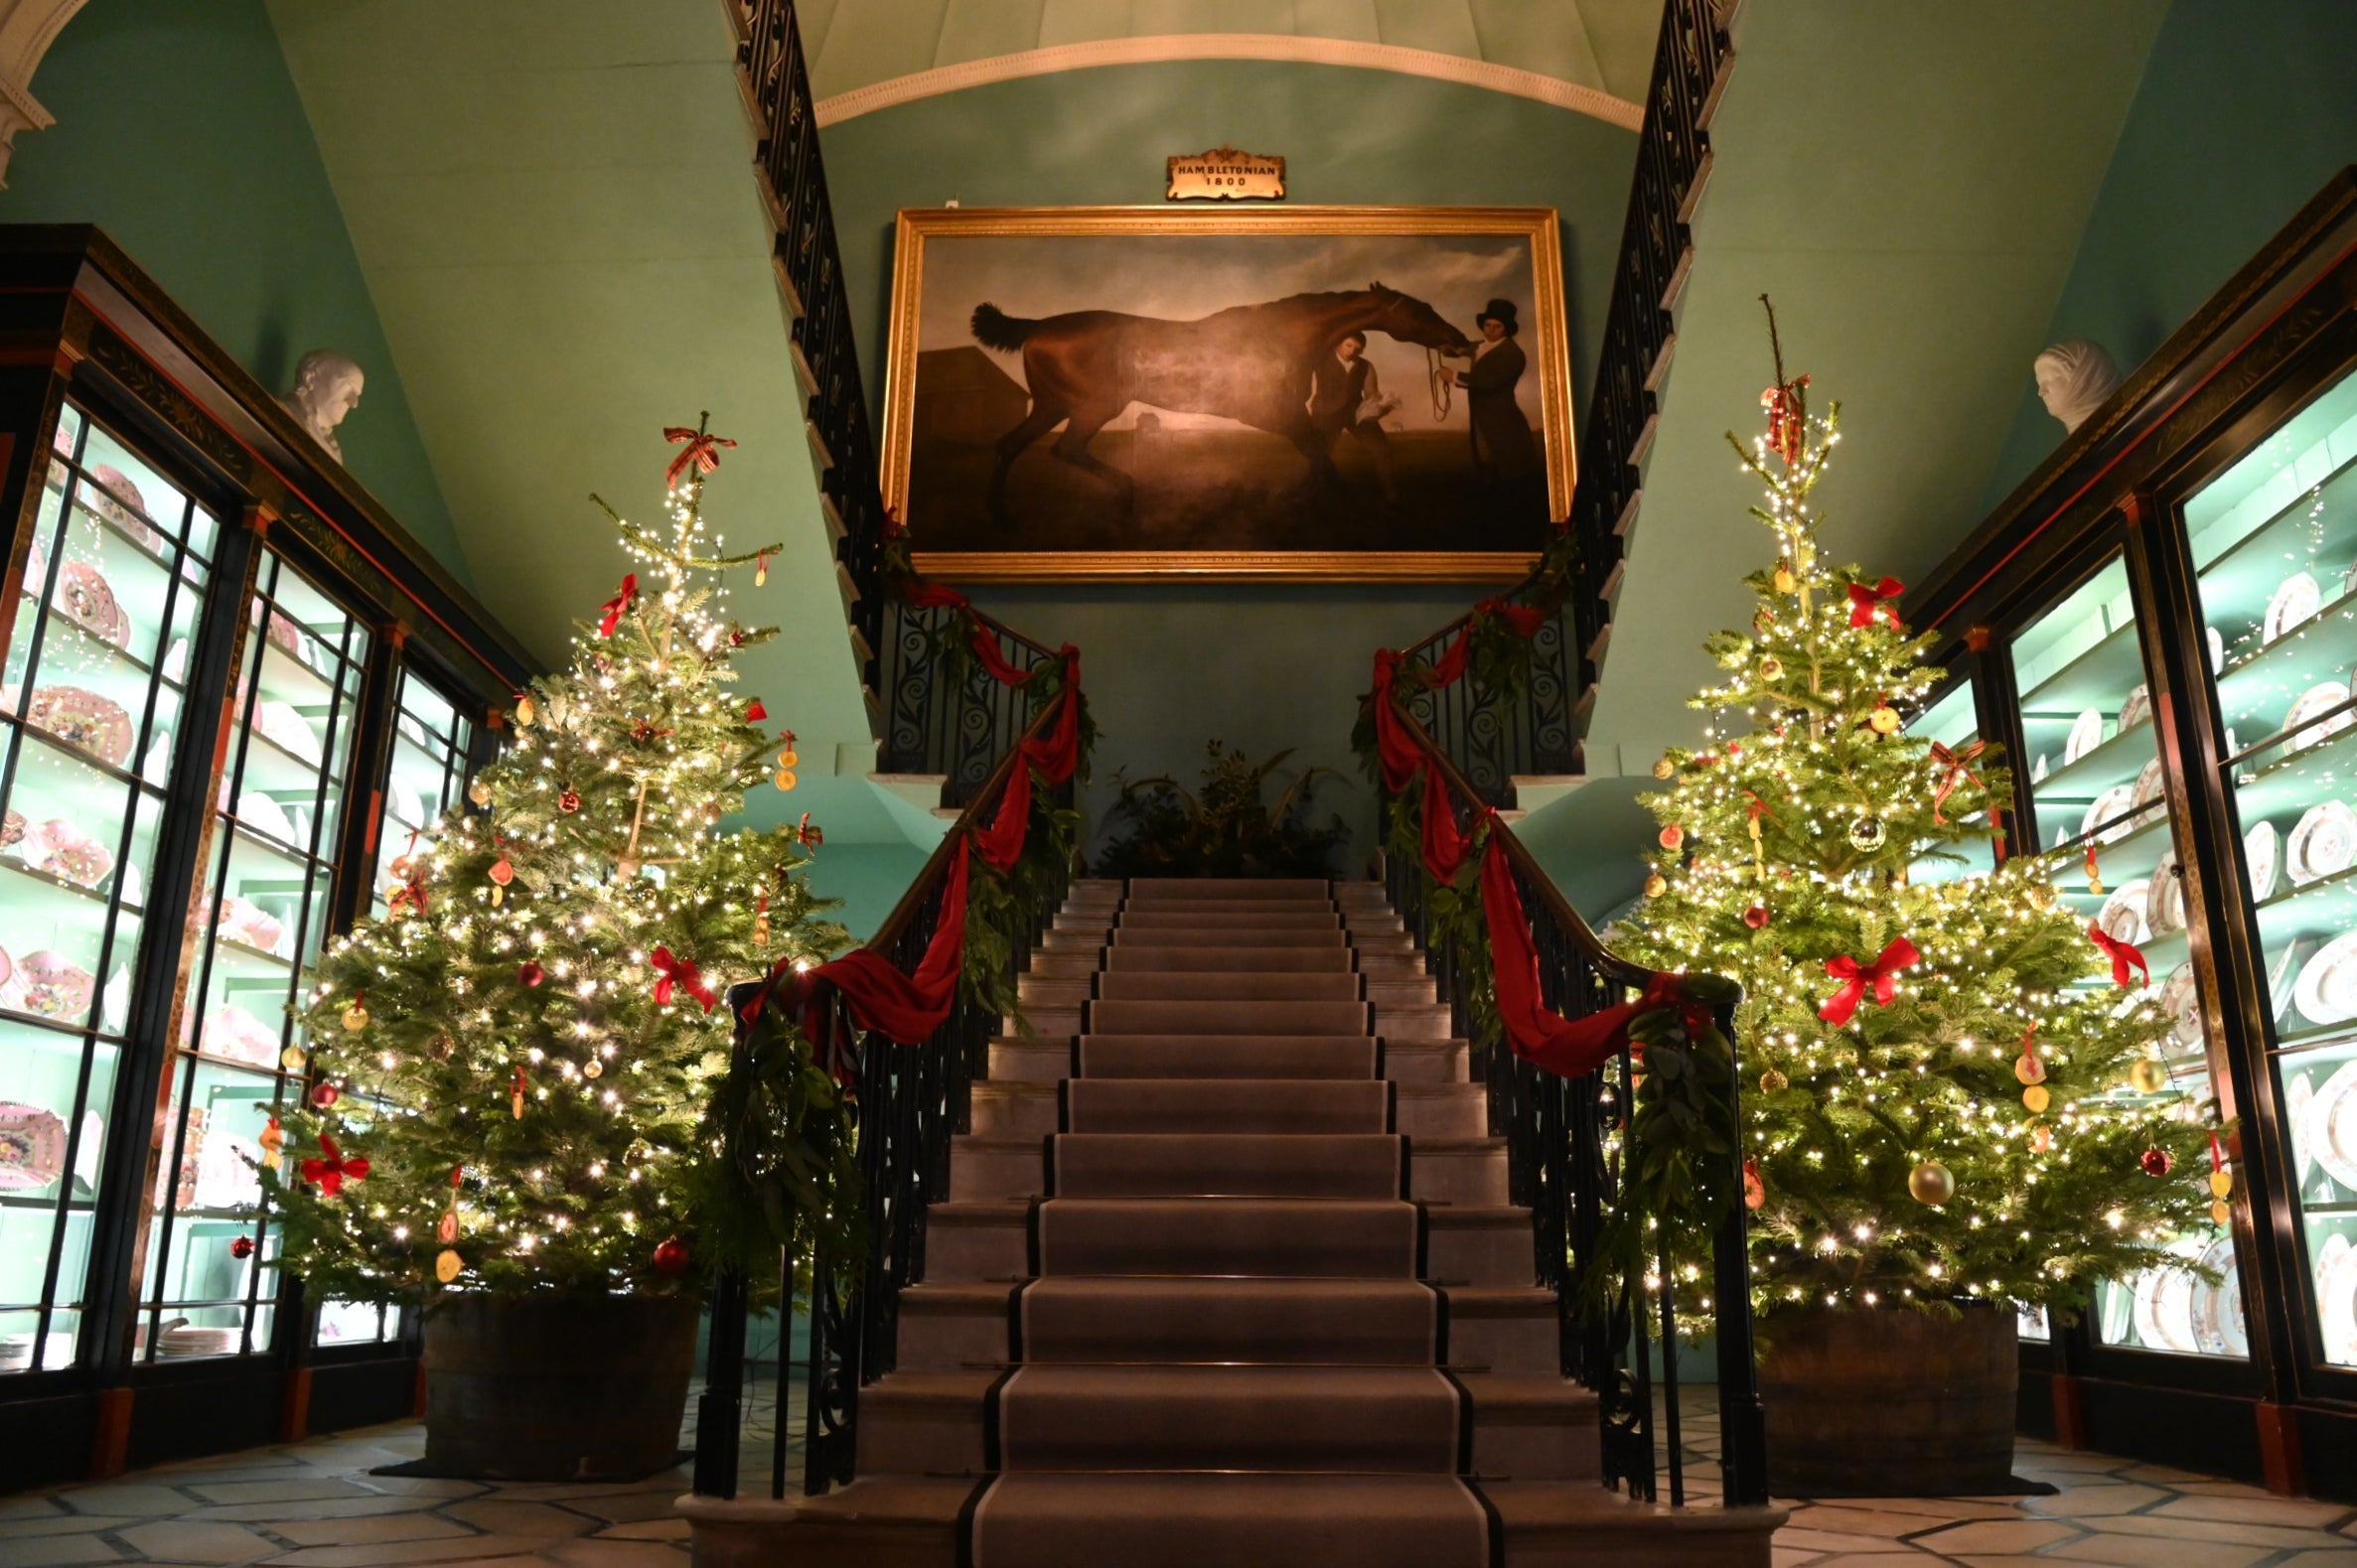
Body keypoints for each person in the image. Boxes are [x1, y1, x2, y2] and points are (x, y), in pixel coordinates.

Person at [1444, 299, 1539, 499]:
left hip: (1502, 419)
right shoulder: (1482, 346)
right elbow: (1468, 348)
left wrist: (1453, 377)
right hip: (1483, 417)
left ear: (1506, 329)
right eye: (1487, 325)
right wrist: (1450, 349)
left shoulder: (1512, 354)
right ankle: (1490, 503)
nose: (1491, 331)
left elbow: (1485, 382)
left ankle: (1509, 505)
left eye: (1497, 327)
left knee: (1508, 466)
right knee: (1486, 462)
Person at [1306, 330, 1399, 501]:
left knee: (1382, 448)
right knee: (1319, 454)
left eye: (1358, 349)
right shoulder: (1320, 359)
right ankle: (1313, 494)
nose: (1352, 351)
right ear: (1339, 343)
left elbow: (1371, 393)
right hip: (1326, 412)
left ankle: (1391, 494)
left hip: (1356, 412)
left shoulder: (1366, 366)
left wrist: (1380, 406)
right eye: (1348, 345)